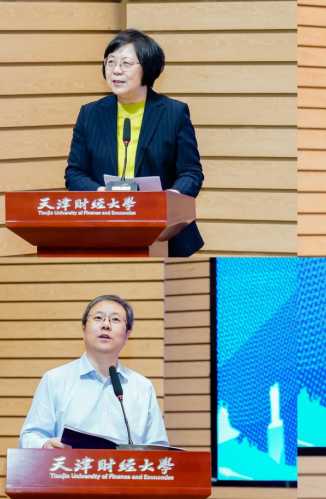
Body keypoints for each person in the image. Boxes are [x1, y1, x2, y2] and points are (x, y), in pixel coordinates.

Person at [64, 29, 204, 257]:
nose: (116, 70)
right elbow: (75, 173)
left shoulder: (174, 112)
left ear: (147, 68)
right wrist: (101, 194)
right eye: (111, 62)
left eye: (126, 63)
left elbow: (191, 172)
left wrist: (172, 198)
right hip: (104, 228)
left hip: (164, 233)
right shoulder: (90, 113)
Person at [19, 295, 168, 449]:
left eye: (115, 319)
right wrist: (45, 445)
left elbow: (159, 449)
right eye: (98, 318)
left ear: (127, 336)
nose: (106, 325)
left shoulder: (143, 387)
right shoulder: (55, 380)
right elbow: (29, 437)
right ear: (84, 330)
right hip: (71, 465)